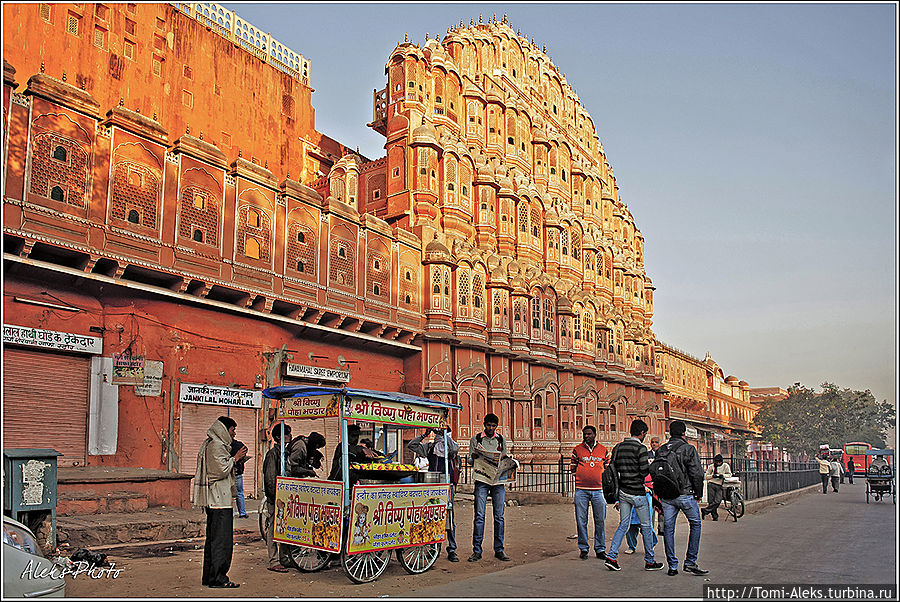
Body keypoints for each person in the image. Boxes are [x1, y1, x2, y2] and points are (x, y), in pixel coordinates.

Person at [604, 419, 662, 571]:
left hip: (623, 492)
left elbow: (613, 469)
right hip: (637, 493)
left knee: (623, 525)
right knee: (647, 526)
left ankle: (612, 556)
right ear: (642, 433)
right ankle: (650, 560)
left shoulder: (618, 447)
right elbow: (644, 472)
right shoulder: (640, 448)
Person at [195, 415, 246, 588]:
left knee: (214, 541)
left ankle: (211, 576)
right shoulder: (216, 446)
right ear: (225, 430)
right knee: (221, 542)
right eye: (232, 430)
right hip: (219, 501)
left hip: (217, 500)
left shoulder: (214, 445)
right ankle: (218, 577)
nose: (234, 434)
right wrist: (236, 458)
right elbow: (220, 470)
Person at [658, 420, 708, 577]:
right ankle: (690, 562)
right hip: (685, 494)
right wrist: (698, 493)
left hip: (667, 496)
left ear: (670, 432)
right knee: (695, 524)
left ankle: (672, 565)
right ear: (684, 433)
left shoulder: (661, 450)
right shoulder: (689, 449)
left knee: (668, 529)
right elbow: (697, 473)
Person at [409, 426, 461, 562]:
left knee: (449, 517)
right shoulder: (430, 447)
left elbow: (455, 449)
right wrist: (424, 435)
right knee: (432, 517)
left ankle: (452, 549)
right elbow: (412, 445)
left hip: (447, 487)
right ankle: (433, 549)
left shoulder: (450, 449)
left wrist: (444, 436)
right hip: (432, 487)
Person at [468, 413, 511, 562]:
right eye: (489, 425)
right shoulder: (476, 439)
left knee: (499, 517)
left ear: (496, 427)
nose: (491, 428)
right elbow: (469, 460)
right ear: (484, 425)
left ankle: (499, 549)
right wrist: (474, 457)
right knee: (479, 516)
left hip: (498, 481)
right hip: (482, 480)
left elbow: (504, 457)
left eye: (493, 426)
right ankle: (477, 550)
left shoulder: (501, 439)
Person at [570, 425, 608, 560]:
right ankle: (584, 548)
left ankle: (600, 548)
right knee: (581, 520)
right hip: (581, 490)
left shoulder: (603, 450)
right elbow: (573, 467)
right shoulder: (577, 449)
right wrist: (582, 476)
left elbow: (607, 468)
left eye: (589, 434)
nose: (586, 436)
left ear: (595, 434)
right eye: (584, 434)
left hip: (599, 491)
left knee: (600, 520)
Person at [262, 422, 292, 573]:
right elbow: (269, 479)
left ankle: (284, 558)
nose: (290, 437)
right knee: (273, 528)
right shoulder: (272, 455)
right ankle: (274, 560)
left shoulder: (285, 454)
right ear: (279, 437)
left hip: (285, 498)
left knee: (284, 527)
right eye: (287, 434)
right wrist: (275, 496)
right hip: (275, 498)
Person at [624, 475, 658, 555]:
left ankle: (650, 545)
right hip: (630, 496)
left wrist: (648, 489)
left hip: (645, 497)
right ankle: (631, 546)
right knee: (630, 525)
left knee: (645, 524)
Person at [701, 454, 732, 521]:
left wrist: (723, 475)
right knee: (711, 501)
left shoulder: (725, 466)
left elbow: (729, 474)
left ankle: (705, 510)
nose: (718, 463)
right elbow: (706, 476)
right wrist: (712, 476)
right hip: (711, 484)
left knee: (718, 501)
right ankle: (715, 516)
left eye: (719, 462)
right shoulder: (711, 467)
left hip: (720, 485)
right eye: (717, 462)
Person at [230, 436, 250, 519]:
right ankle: (242, 512)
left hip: (230, 473)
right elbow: (245, 449)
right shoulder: (239, 445)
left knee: (230, 494)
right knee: (239, 493)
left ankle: (232, 513)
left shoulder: (226, 446)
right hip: (238, 472)